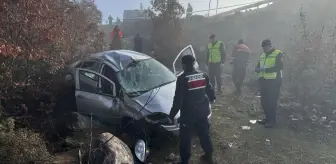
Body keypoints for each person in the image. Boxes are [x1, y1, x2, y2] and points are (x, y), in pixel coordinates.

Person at [169, 55, 216, 164]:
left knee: (185, 138)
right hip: (202, 112)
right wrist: (213, 98)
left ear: (184, 65)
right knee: (204, 134)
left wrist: (171, 115)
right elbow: (209, 89)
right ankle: (208, 156)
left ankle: (184, 161)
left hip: (188, 115)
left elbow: (178, 101)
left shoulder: (182, 79)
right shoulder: (203, 75)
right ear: (194, 63)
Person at [255, 39, 283, 128]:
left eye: (266, 47)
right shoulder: (263, 55)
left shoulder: (278, 53)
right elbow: (259, 65)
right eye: (263, 48)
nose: (264, 49)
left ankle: (272, 121)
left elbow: (280, 67)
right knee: (264, 102)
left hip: (274, 81)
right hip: (264, 81)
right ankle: (266, 118)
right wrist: (257, 68)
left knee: (271, 102)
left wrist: (265, 70)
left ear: (270, 46)